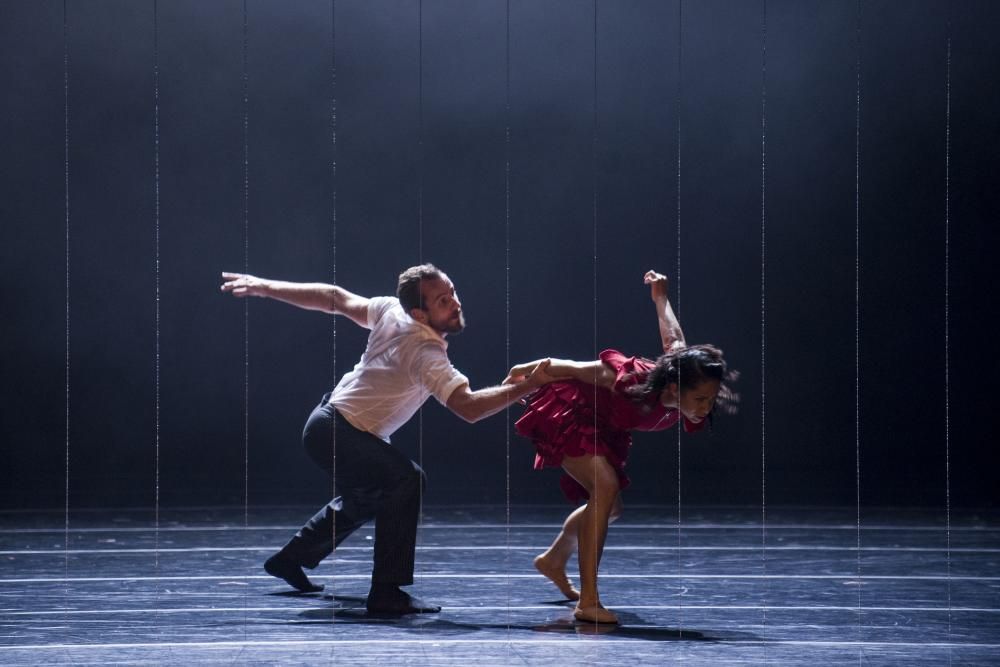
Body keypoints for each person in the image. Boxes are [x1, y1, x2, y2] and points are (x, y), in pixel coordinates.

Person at [221, 264, 554, 615]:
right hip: (337, 430)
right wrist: (528, 385)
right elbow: (468, 407)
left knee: (368, 496)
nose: (455, 303)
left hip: (329, 424)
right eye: (443, 300)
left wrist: (265, 286)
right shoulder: (424, 353)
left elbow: (335, 298)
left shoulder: (390, 310)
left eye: (452, 292)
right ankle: (387, 593)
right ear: (419, 313)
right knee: (406, 481)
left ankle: (290, 560)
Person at [504, 270, 737, 625]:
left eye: (710, 399)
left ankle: (554, 559)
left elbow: (674, 337)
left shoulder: (681, 371)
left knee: (610, 507)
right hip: (570, 411)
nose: (706, 407)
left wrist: (660, 298)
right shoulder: (633, 378)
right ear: (674, 390)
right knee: (606, 487)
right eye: (701, 399)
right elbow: (576, 369)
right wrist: (525, 372)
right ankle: (589, 601)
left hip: (604, 426)